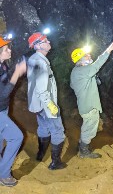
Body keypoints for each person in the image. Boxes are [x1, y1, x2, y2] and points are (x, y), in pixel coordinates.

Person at [70, 38, 113, 158]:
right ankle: (84, 151)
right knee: (90, 127)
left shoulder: (79, 71)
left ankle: (82, 145)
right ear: (80, 60)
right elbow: (96, 65)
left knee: (88, 126)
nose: (89, 55)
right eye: (86, 55)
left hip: (86, 105)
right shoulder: (80, 71)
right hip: (89, 106)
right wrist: (108, 50)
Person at [27, 32, 66, 170]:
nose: (48, 41)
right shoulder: (41, 62)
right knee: (58, 130)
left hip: (37, 104)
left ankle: (40, 155)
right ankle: (55, 163)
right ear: (38, 45)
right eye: (45, 40)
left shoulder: (33, 59)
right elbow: (42, 89)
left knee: (43, 127)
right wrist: (50, 105)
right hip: (45, 104)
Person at [0, 36, 27, 187]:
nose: (9, 50)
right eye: (5, 49)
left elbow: (3, 78)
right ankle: (3, 175)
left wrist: (14, 69)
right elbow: (3, 93)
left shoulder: (2, 65)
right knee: (16, 137)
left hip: (2, 109)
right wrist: (17, 72)